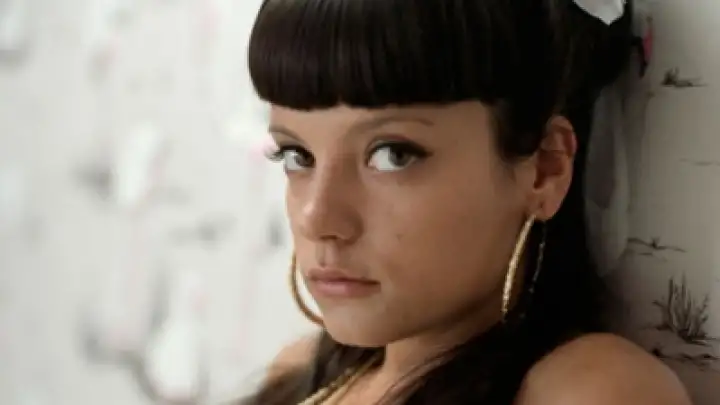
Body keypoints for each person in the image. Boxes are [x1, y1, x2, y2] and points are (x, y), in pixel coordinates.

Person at [242, 0, 692, 404]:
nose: (317, 218)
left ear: (545, 169)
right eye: (297, 156)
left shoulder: (590, 390)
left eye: (393, 155)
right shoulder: (299, 373)